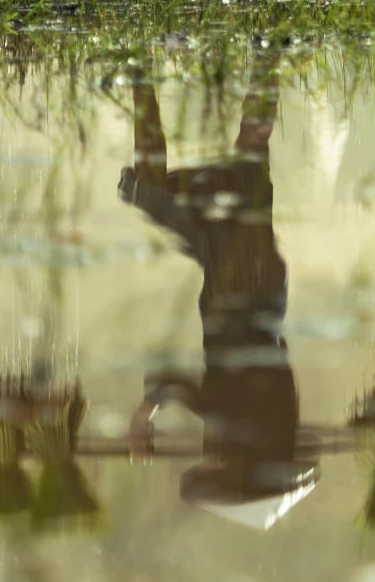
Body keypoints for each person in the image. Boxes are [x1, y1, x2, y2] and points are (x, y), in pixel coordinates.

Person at [119, 58, 319, 529]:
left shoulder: (272, 421)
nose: (210, 455)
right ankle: (140, 71)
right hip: (240, 281)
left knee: (248, 155)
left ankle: (270, 50)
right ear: (238, 466)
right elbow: (174, 384)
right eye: (218, 467)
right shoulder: (242, 423)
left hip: (260, 281)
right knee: (152, 186)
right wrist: (143, 418)